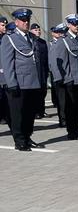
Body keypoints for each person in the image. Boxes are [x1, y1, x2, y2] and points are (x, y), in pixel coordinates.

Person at [0, 9, 45, 150]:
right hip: (18, 82)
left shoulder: (31, 38)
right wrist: (11, 83)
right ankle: (19, 140)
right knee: (18, 114)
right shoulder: (9, 38)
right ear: (16, 22)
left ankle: (27, 136)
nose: (26, 23)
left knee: (29, 113)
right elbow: (7, 63)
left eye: (28, 20)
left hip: (32, 82)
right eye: (23, 21)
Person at [53, 14, 78, 139]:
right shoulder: (63, 40)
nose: (76, 26)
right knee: (70, 108)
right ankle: (72, 131)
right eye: (73, 24)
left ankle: (76, 129)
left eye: (77, 23)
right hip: (70, 78)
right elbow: (60, 61)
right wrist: (64, 79)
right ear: (68, 25)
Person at [48, 23, 67, 127]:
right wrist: (57, 76)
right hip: (59, 75)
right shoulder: (54, 45)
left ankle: (67, 118)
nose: (62, 34)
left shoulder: (66, 42)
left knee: (68, 100)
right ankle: (63, 119)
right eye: (61, 32)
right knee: (62, 100)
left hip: (68, 75)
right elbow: (52, 61)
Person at [29, 23, 50, 119]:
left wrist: (47, 70)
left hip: (43, 70)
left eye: (39, 30)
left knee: (43, 91)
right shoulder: (29, 41)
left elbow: (46, 57)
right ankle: (35, 111)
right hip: (34, 70)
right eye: (35, 30)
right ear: (31, 31)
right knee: (35, 92)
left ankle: (42, 110)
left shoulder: (43, 42)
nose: (38, 31)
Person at [0, 16, 10, 126]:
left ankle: (4, 116)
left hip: (4, 70)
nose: (5, 27)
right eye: (3, 25)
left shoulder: (6, 38)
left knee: (5, 95)